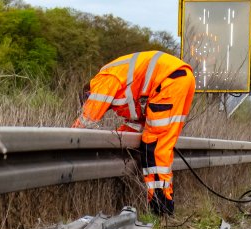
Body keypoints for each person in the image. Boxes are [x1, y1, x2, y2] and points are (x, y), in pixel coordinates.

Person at [73, 51, 195, 216]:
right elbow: (136, 125)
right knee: (159, 145)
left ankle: (161, 208)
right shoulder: (123, 86)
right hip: (179, 78)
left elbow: (86, 121)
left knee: (154, 146)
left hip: (168, 80)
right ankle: (163, 204)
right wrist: (116, 144)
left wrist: (71, 138)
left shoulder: (102, 81)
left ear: (88, 94)